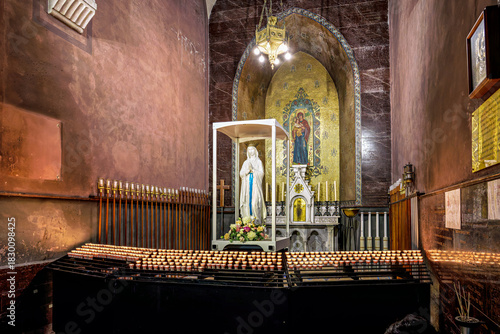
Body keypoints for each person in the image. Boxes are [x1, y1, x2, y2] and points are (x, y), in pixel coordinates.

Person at [239, 146, 266, 223]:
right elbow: (241, 173)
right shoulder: (245, 162)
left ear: (255, 150)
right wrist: (247, 171)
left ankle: (257, 221)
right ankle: (247, 221)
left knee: (255, 203)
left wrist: (254, 171)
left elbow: (261, 174)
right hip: (247, 185)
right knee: (247, 203)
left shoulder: (259, 162)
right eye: (249, 150)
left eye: (252, 149)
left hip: (255, 185)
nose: (251, 151)